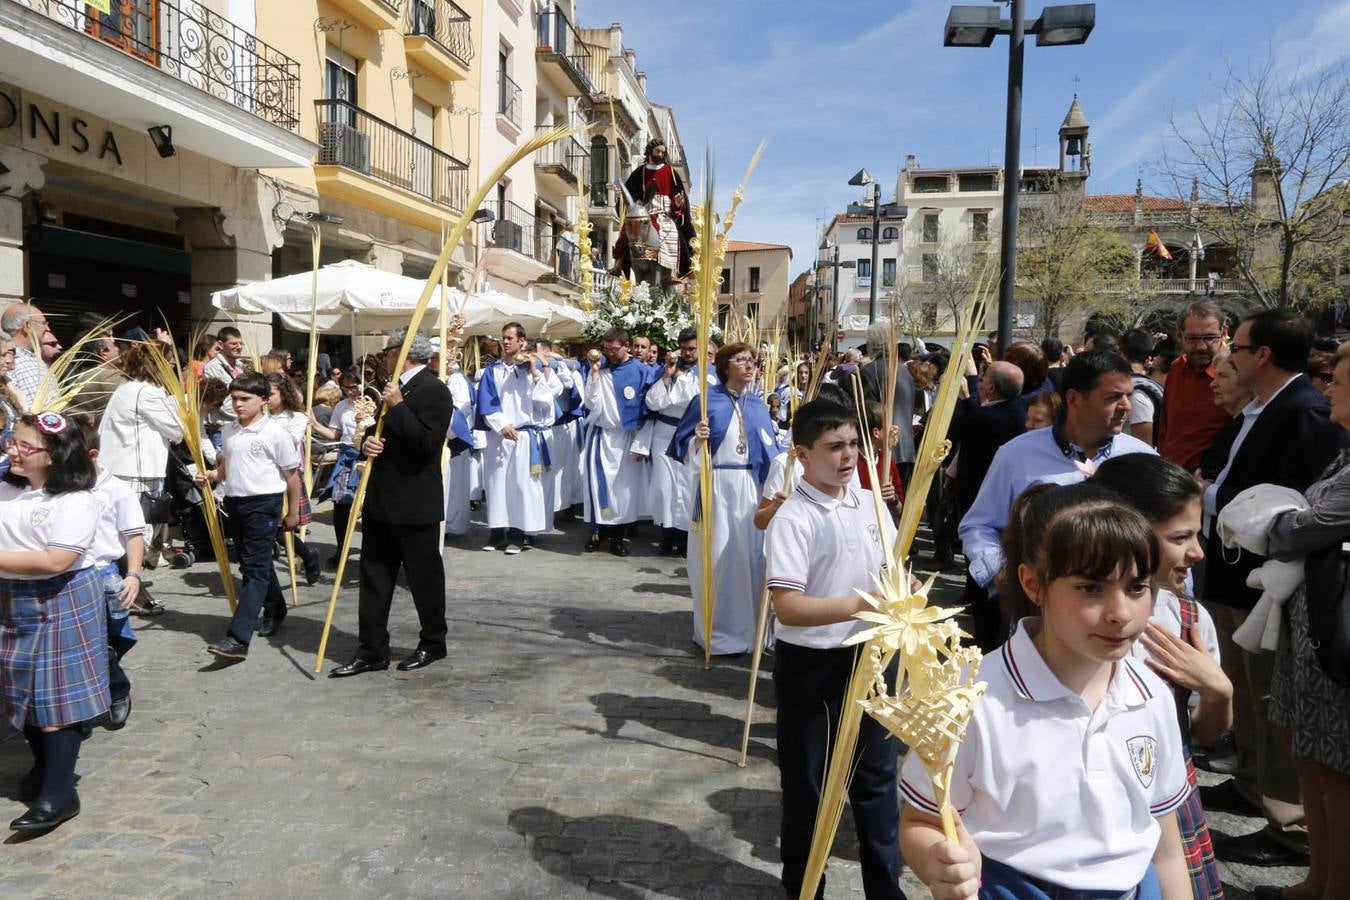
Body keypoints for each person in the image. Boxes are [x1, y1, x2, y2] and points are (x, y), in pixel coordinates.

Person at [903, 483, 1191, 900]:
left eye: (1136, 587)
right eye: (1091, 588)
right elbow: (922, 821)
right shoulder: (967, 697)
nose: (1120, 613)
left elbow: (1165, 846)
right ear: (1034, 584)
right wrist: (938, 863)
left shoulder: (1151, 694)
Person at [1200, 310, 1350, 867]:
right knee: (1248, 692)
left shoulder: (1303, 411)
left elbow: (1301, 508)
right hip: (1237, 575)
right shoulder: (1261, 406)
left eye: (1236, 348)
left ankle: (1289, 823)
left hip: (1270, 586)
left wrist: (1229, 505)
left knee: (1273, 703)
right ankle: (1252, 782)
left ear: (1262, 354)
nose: (1228, 357)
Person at [764, 399, 904, 899]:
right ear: (803, 454)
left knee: (877, 782)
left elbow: (894, 570)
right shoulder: (793, 518)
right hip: (812, 664)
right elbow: (788, 607)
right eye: (834, 447)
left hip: (872, 659)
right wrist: (864, 604)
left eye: (853, 445)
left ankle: (886, 892)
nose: (848, 457)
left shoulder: (869, 503)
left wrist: (904, 592)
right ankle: (805, 891)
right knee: (809, 787)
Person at [1092, 455, 1232, 900]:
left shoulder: (1189, 619)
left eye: (1197, 534)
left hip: (1168, 806)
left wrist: (1218, 691)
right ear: (1127, 529)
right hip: (1094, 810)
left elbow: (1205, 734)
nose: (1198, 551)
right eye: (1180, 537)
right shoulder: (1079, 624)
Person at [958, 351, 1155, 651]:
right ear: (1074, 398)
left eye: (1128, 395)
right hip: (1036, 621)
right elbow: (978, 525)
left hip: (1119, 625)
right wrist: (1000, 572)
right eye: (1113, 397)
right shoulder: (1016, 455)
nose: (1126, 406)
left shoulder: (1142, 459)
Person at [1262, 339, 1350, 900]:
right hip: (1313, 630)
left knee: (1338, 771)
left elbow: (1300, 529)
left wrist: (1273, 522)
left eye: (1339, 380)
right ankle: (1319, 879)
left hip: (1337, 637)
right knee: (1312, 759)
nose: (1328, 388)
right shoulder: (1345, 454)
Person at [0, 412, 106, 832]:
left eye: (24, 446)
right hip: (10, 596)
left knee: (56, 700)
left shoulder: (76, 500)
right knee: (21, 693)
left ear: (54, 455)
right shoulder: (7, 487)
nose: (13, 449)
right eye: (12, 440)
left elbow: (55, 560)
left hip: (60, 596)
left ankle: (59, 795)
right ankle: (47, 770)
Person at [330, 328, 451, 677]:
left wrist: (397, 405)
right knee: (374, 577)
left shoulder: (433, 390)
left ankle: (433, 641)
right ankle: (371, 649)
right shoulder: (393, 389)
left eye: (387, 351)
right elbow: (380, 433)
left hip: (415, 502)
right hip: (382, 499)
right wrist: (367, 443)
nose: (384, 357)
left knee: (424, 578)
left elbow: (426, 443)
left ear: (402, 352)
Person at [669, 342, 778, 654]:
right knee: (717, 558)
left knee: (752, 558)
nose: (749, 365)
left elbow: (770, 451)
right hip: (716, 487)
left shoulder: (757, 405)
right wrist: (697, 439)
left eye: (752, 360)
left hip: (752, 489)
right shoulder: (706, 401)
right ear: (725, 365)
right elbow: (680, 445)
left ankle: (754, 632)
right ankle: (716, 633)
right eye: (741, 359)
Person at [195, 373, 302, 660]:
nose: (238, 404)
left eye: (245, 399)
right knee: (254, 561)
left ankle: (238, 637)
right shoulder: (229, 430)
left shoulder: (275, 433)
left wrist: (293, 512)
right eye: (234, 399)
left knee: (253, 570)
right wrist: (212, 475)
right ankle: (276, 608)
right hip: (235, 501)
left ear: (264, 400)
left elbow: (292, 476)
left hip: (264, 504)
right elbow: (229, 465)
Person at [98, 344, 184, 585]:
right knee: (137, 531)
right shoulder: (147, 393)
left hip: (122, 468)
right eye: (169, 361)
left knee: (125, 530)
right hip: (137, 472)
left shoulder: (127, 388)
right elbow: (177, 429)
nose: (173, 366)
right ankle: (129, 581)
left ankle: (125, 579)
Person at [475, 323, 564, 554]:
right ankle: (496, 532)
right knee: (496, 485)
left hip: (524, 436)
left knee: (520, 486)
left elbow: (545, 401)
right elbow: (487, 401)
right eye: (503, 338)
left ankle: (517, 534)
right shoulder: (492, 371)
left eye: (510, 338)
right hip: (500, 435)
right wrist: (501, 425)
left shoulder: (530, 369)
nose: (505, 342)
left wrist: (534, 372)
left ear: (521, 341)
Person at [582, 328, 656, 556]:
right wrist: (594, 373)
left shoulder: (641, 371)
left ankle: (617, 538)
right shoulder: (601, 368)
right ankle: (597, 534)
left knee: (624, 492)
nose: (610, 354)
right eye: (607, 349)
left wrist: (642, 445)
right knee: (598, 487)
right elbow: (591, 403)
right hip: (601, 436)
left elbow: (650, 412)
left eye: (615, 349)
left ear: (627, 347)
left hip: (628, 437)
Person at [635, 327, 704, 556]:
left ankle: (684, 538)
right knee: (664, 486)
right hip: (663, 433)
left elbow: (694, 400)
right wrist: (666, 376)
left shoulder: (707, 373)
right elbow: (653, 402)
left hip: (689, 434)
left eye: (691, 349)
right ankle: (666, 533)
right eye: (683, 348)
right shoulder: (667, 369)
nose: (687, 353)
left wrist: (679, 377)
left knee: (686, 485)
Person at [1157, 300, 1233, 471]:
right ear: (1179, 335)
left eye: (1209, 338)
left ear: (1224, 332)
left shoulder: (1239, 373)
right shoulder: (1176, 368)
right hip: (1170, 473)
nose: (1201, 347)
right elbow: (1165, 428)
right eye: (1192, 338)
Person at [263, 373, 321, 585]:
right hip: (264, 478)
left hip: (287, 478)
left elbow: (291, 441)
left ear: (283, 393)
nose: (267, 399)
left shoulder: (297, 417)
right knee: (270, 530)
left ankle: (307, 555)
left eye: (271, 394)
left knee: (281, 529)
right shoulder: (262, 417)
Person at [613, 138, 695, 280]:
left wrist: (677, 203)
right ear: (650, 151)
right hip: (644, 212)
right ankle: (619, 263)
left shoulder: (671, 172)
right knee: (627, 233)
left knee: (674, 235)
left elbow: (679, 197)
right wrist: (625, 201)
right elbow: (630, 193)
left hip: (664, 214)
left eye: (663, 152)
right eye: (658, 151)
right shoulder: (640, 172)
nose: (661, 155)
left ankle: (673, 271)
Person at [860, 319, 916, 489]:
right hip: (907, 448)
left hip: (883, 449)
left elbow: (870, 413)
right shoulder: (905, 371)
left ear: (872, 345)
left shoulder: (869, 371)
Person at [1, 302, 54, 410]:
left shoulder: (32, 359)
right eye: (43, 323)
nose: (47, 328)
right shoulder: (13, 363)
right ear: (27, 326)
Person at [1121, 328, 1164, 446]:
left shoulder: (1137, 395)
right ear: (1148, 359)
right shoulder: (1129, 389)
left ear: (1120, 353)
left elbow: (1144, 447)